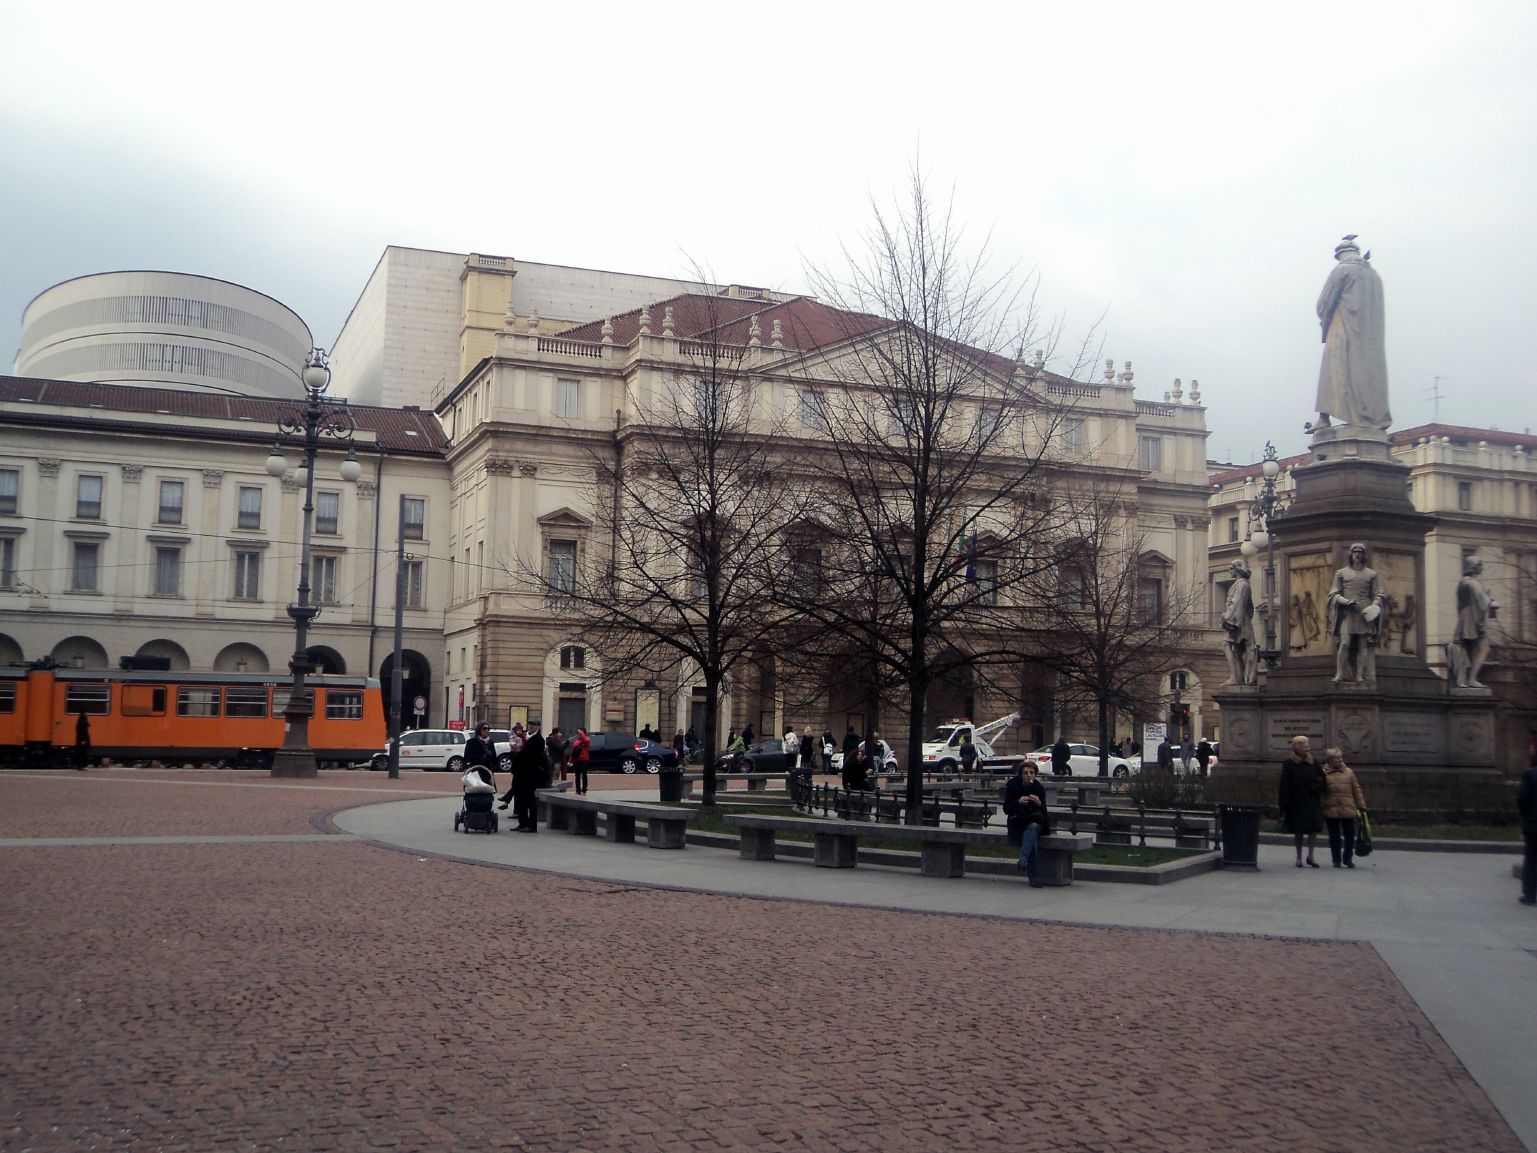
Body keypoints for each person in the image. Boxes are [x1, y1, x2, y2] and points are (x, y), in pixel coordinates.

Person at [1314, 235, 1390, 433]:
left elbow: (1323, 303)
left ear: (1340, 255)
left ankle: (1324, 418)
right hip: (1371, 337)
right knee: (1367, 375)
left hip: (1342, 329)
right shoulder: (1375, 276)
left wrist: (1325, 322)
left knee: (1335, 373)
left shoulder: (1342, 270)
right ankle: (1368, 418)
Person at [1328, 542, 1386, 685]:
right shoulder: (1341, 573)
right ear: (1350, 554)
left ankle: (1360, 675)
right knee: (1345, 643)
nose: (1357, 555)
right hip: (1348, 613)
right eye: (1355, 552)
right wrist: (1345, 601)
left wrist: (1374, 606)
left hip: (1365, 614)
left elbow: (1378, 594)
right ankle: (1340, 673)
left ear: (1364, 555)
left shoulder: (1371, 574)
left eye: (1360, 552)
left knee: (1363, 645)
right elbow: (1334, 593)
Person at [1279, 734, 1327, 868]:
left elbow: (1322, 778)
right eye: (1303, 745)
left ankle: (1311, 855)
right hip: (1296, 801)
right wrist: (1284, 803)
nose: (1307, 747)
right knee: (1298, 830)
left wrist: (1317, 787)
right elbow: (1284, 784)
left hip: (1312, 800)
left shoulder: (1314, 762)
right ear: (1295, 747)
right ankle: (1299, 857)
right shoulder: (1289, 764)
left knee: (1313, 830)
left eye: (1307, 744)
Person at [1003, 761, 1051, 888]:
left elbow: (1044, 815)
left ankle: (1023, 860)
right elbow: (1006, 809)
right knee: (1032, 842)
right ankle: (1033, 878)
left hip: (1034, 822)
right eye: (1025, 773)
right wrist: (1018, 802)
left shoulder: (1039, 788)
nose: (1029, 776)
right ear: (1020, 775)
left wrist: (1039, 804)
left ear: (1035, 774)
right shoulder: (1013, 786)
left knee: (1033, 828)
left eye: (1032, 773)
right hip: (1017, 823)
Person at [1452, 557, 1498, 688]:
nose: (1482, 568)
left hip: (1464, 619)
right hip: (1474, 619)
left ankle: (1462, 680)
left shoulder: (1462, 583)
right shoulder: (1474, 584)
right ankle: (1472, 679)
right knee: (1483, 648)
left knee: (1466, 650)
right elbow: (1483, 603)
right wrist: (1490, 600)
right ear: (1473, 567)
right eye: (1480, 565)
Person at [1320, 747, 1368, 868]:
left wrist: (1361, 804)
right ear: (1329, 760)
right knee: (1334, 836)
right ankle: (1336, 859)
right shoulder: (1323, 773)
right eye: (1336, 759)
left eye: (1341, 758)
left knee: (1349, 835)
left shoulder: (1349, 772)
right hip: (1331, 807)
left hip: (1348, 807)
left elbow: (1356, 789)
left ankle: (1348, 858)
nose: (1340, 760)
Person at [1222, 559, 1257, 685]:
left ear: (1237, 570)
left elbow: (1238, 604)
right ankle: (1240, 677)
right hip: (1240, 620)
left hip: (1238, 621)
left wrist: (1228, 619)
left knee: (1226, 645)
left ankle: (1235, 678)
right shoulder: (1241, 584)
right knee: (1238, 649)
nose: (1229, 571)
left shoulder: (1242, 584)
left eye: (1231, 568)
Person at [511, 721, 545, 831]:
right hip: (521, 772)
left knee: (530, 799)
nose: (530, 726)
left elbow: (532, 757)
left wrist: (519, 753)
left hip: (531, 773)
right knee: (521, 799)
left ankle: (531, 825)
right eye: (530, 724)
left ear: (538, 727)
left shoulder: (539, 739)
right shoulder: (525, 737)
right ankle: (522, 823)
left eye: (533, 725)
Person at [1518, 744, 1537, 906]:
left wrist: (1526, 817)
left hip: (1533, 824)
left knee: (1531, 858)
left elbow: (1522, 799)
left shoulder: (1530, 775)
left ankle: (1530, 895)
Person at [569, 727, 591, 795]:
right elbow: (573, 752)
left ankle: (584, 790)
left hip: (584, 760)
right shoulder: (576, 741)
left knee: (584, 776)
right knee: (577, 776)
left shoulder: (586, 739)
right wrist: (570, 761)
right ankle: (578, 790)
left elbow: (586, 741)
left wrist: (581, 733)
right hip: (577, 761)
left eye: (580, 733)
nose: (579, 734)